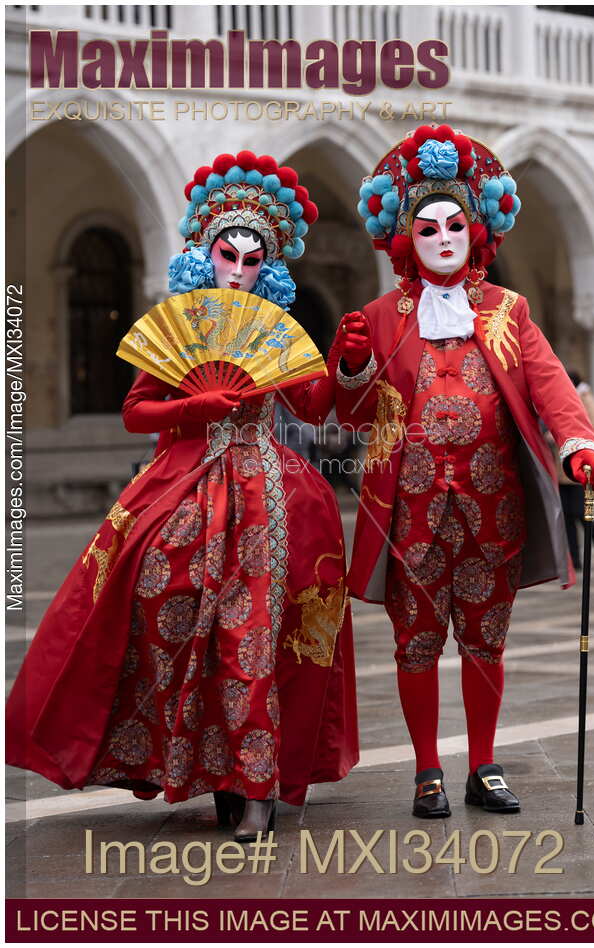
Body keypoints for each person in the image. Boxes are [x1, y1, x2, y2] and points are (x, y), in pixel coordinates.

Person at [6, 151, 359, 842]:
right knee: (164, 610)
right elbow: (137, 411)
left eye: (251, 260)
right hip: (184, 485)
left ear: (270, 267)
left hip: (270, 493)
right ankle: (211, 770)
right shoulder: (179, 324)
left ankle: (256, 787)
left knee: (254, 633)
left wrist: (345, 362)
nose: (237, 268)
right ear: (206, 253)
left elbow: (314, 406)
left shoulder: (277, 332)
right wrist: (192, 407)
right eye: (227, 254)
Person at [333, 123, 594, 817]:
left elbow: (551, 387)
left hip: (494, 509)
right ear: (408, 240)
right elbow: (354, 413)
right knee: (417, 640)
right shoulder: (380, 314)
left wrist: (579, 443)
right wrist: (354, 364)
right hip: (410, 513)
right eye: (428, 229)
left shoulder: (509, 312)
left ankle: (483, 764)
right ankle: (427, 769)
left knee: (486, 637)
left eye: (457, 224)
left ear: (477, 231)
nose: (445, 237)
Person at [551, 372, 594, 569]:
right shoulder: (562, 398)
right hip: (560, 467)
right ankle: (574, 559)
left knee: (582, 514)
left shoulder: (586, 400)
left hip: (580, 467)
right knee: (567, 515)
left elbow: (592, 428)